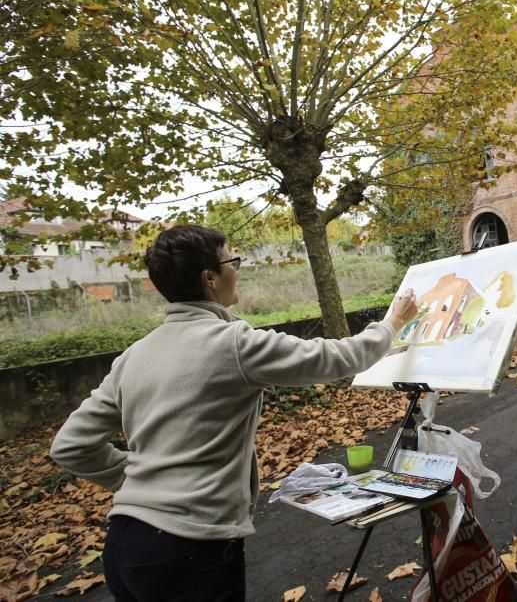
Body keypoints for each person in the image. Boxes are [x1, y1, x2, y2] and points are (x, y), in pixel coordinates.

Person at [50, 224, 418, 601]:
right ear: (209, 277)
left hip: (125, 545)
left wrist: (137, 479)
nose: (238, 270)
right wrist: (394, 322)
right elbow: (338, 357)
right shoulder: (232, 344)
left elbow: (70, 446)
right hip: (189, 550)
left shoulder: (134, 355)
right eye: (233, 261)